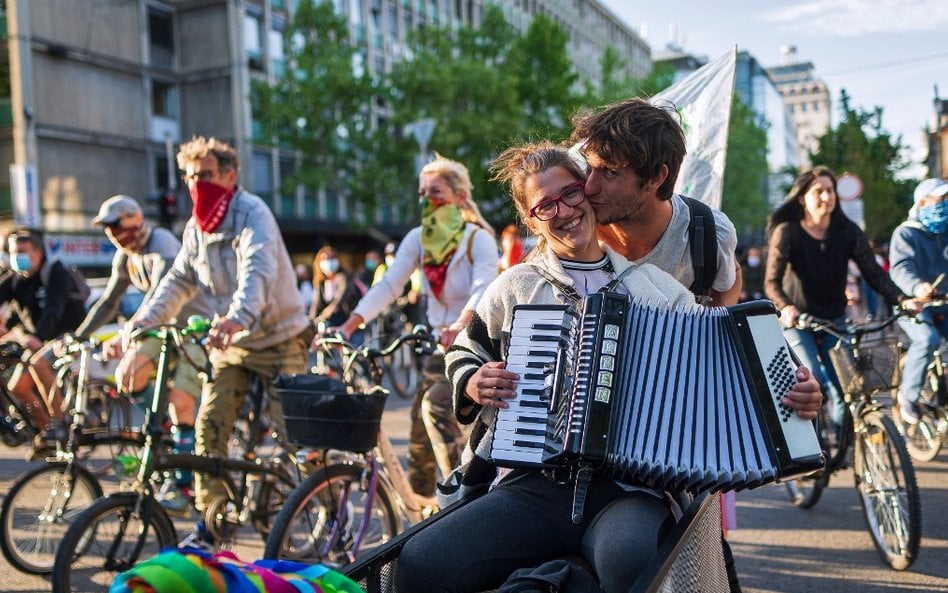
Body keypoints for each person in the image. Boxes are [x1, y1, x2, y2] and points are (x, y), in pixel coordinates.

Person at [395, 142, 823, 593]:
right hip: (533, 486)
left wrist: (791, 394)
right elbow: (464, 351)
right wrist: (473, 381)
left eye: (571, 193)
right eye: (545, 205)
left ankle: (553, 581)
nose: (563, 210)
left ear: (589, 194)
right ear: (531, 219)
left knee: (631, 559)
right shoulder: (516, 286)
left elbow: (729, 365)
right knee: (420, 566)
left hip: (628, 491)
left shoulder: (653, 288)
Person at [132, 136, 311, 548]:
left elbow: (258, 269)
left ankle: (314, 507)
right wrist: (143, 321)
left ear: (230, 176)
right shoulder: (197, 225)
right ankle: (213, 524)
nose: (197, 183)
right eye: (191, 176)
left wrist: (237, 317)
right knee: (208, 430)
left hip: (278, 337)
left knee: (293, 436)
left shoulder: (253, 213)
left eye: (207, 175)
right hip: (231, 342)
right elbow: (178, 279)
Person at [336, 154, 499, 497]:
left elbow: (484, 287)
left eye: (435, 191)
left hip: (474, 347)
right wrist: (350, 324)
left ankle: (462, 494)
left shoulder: (477, 239)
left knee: (436, 407)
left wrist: (462, 321)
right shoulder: (419, 239)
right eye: (422, 192)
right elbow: (390, 284)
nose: (427, 199)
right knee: (418, 441)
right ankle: (422, 511)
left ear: (457, 196)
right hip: (437, 349)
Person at [73, 195, 216, 510]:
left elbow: (160, 294)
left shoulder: (161, 241)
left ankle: (182, 483)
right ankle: (166, 427)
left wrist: (126, 333)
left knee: (182, 401)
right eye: (107, 228)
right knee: (127, 377)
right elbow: (109, 300)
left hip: (191, 326)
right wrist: (78, 335)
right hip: (157, 328)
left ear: (135, 221)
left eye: (116, 225)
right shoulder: (125, 256)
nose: (112, 233)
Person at [764, 166, 906, 426]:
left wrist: (903, 300)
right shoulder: (788, 231)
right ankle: (813, 451)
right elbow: (771, 282)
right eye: (818, 191)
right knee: (811, 381)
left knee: (847, 389)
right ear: (801, 198)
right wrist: (785, 307)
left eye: (830, 191)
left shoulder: (848, 231)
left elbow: (874, 274)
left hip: (835, 321)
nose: (826, 197)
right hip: (800, 322)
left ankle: (845, 447)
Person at [570, 98, 741, 306]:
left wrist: (713, 327)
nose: (589, 187)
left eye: (610, 172)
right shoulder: (576, 223)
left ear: (656, 177)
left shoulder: (709, 233)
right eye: (589, 168)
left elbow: (729, 280)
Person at [0, 228, 87, 445]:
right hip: (37, 341)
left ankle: (59, 423)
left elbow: (53, 310)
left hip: (67, 336)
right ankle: (45, 432)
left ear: (37, 253)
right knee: (16, 387)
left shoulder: (55, 273)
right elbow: (12, 317)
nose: (16, 257)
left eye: (21, 251)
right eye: (12, 252)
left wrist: (37, 337)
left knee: (38, 362)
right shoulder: (15, 280)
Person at [889, 177, 948, 423]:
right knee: (927, 339)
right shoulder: (905, 233)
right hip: (912, 304)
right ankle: (908, 396)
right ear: (922, 203)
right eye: (941, 200)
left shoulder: (944, 232)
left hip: (943, 301)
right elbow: (901, 268)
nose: (945, 205)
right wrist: (917, 287)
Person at [309, 246, 364, 328]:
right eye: (325, 259)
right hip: (327, 322)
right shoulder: (320, 283)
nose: (328, 261)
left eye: (331, 258)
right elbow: (316, 304)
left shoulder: (345, 277)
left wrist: (332, 307)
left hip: (347, 320)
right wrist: (311, 321)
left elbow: (343, 294)